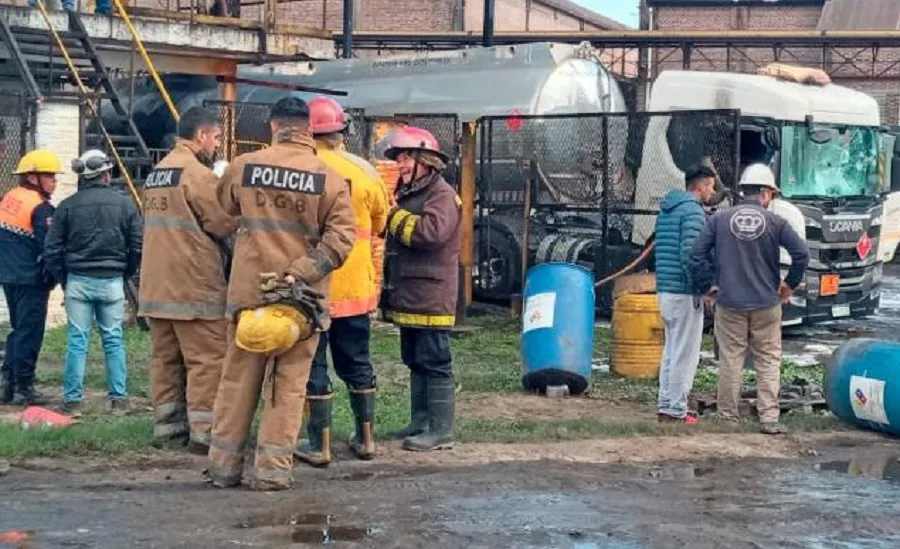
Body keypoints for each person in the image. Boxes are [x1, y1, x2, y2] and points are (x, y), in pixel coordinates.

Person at [207, 96, 355, 491]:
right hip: (299, 303)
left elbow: (221, 215)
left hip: (249, 296)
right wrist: (301, 272)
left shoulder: (243, 167)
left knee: (238, 381)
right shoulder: (331, 178)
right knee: (287, 387)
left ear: (273, 127)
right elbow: (341, 241)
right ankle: (272, 471)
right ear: (308, 129)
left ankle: (223, 467)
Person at [295, 96, 389, 467]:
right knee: (357, 360)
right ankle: (366, 439)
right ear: (342, 131)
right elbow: (381, 223)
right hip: (355, 288)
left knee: (313, 363)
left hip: (312, 285)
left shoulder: (300, 169)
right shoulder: (363, 171)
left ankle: (318, 444)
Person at [137, 107, 237, 452]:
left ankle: (168, 430)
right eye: (217, 137)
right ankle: (204, 433)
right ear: (201, 136)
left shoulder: (157, 174)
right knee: (207, 360)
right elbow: (222, 222)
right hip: (193, 288)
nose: (217, 144)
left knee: (165, 361)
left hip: (156, 288)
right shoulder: (197, 175)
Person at [690, 163, 809, 434]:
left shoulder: (719, 220)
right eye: (772, 195)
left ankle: (728, 417)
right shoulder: (776, 222)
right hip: (767, 303)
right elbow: (802, 255)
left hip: (730, 302)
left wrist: (707, 285)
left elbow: (697, 254)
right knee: (767, 359)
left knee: (731, 358)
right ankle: (768, 418)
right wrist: (789, 286)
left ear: (745, 191)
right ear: (766, 193)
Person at [380, 127, 462, 452]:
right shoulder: (412, 191)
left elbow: (430, 233)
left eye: (404, 158)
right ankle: (421, 421)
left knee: (434, 359)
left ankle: (440, 431)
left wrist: (393, 214)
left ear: (424, 160)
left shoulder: (441, 194)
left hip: (431, 294)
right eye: (399, 159)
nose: (399, 165)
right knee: (414, 358)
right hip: (412, 293)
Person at [43, 150, 143, 413]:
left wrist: (65, 280)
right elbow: (137, 246)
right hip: (111, 281)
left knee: (77, 341)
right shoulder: (125, 205)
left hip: (78, 280)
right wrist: (124, 273)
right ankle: (119, 400)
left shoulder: (67, 206)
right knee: (113, 340)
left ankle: (72, 401)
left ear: (83, 178)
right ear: (107, 175)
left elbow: (52, 249)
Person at [654, 163, 717, 424]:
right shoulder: (692, 212)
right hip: (683, 290)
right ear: (700, 185)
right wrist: (703, 287)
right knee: (685, 354)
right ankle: (677, 411)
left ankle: (666, 404)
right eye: (711, 186)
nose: (712, 192)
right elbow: (691, 255)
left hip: (665, 288)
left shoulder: (668, 209)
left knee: (671, 351)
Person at [0, 150, 60, 406]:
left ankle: (8, 384)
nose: (54, 182)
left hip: (8, 276)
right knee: (30, 333)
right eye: (50, 176)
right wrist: (56, 276)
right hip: (30, 279)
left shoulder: (10, 197)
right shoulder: (40, 207)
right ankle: (24, 388)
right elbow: (48, 246)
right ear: (34, 177)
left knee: (18, 330)